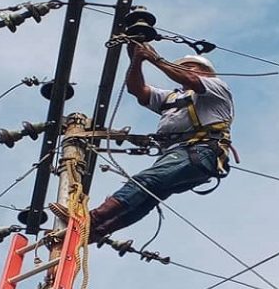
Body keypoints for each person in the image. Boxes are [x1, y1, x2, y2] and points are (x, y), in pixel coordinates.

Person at [50, 42, 235, 241]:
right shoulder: (173, 97)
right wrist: (137, 59)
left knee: (144, 182)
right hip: (183, 155)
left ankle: (90, 220)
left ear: (207, 73)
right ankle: (96, 232)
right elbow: (137, 89)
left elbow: (189, 78)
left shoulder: (216, 87)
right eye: (183, 65)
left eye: (191, 66)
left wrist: (154, 58)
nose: (185, 69)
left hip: (199, 151)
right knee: (148, 196)